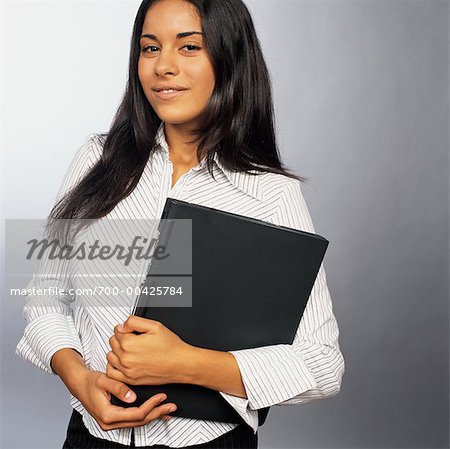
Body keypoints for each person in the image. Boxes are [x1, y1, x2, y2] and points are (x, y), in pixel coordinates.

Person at [15, 0, 345, 447]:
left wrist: (185, 363)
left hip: (209, 442)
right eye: (150, 48)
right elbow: (44, 300)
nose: (163, 66)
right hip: (91, 434)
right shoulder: (97, 160)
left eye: (189, 47)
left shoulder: (270, 193)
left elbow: (321, 363)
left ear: (229, 59)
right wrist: (79, 379)